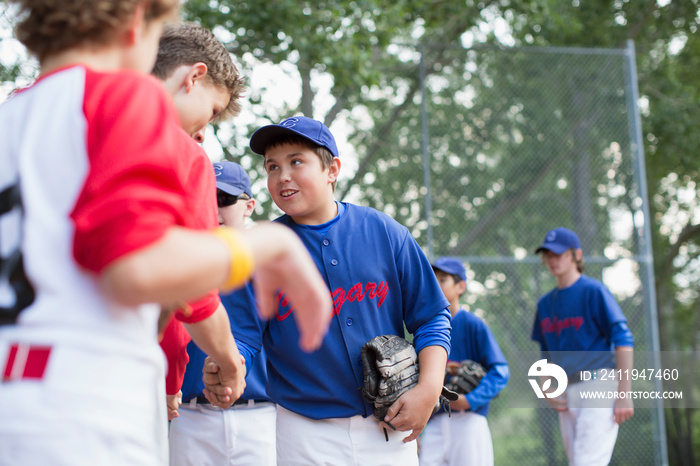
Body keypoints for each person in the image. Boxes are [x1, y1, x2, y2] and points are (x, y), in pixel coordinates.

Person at [0, 3, 331, 465]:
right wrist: (265, 243)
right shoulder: (124, 99)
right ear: (138, 23)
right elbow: (136, 269)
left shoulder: (11, 115)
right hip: (85, 401)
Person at [205, 115, 452, 465]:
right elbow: (243, 336)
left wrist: (428, 390)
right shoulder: (258, 250)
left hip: (389, 421)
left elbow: (432, 316)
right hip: (303, 430)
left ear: (332, 169)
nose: (282, 176)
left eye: (296, 162)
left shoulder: (384, 231)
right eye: (272, 167)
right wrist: (228, 364)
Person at [147, 20, 248, 420]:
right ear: (194, 77)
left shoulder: (18, 110)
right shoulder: (179, 153)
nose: (204, 132)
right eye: (213, 111)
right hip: (104, 373)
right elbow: (190, 286)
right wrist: (227, 360)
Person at [169, 161, 277, 466]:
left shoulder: (268, 262)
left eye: (225, 200)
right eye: (205, 199)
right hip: (189, 415)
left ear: (249, 206)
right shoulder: (176, 263)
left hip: (259, 416)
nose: (215, 210)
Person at [531, 227, 635, 465]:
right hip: (567, 390)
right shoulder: (545, 303)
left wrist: (624, 393)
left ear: (576, 255)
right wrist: (545, 386)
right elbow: (545, 352)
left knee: (586, 461)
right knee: (579, 460)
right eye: (548, 254)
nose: (552, 260)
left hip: (598, 383)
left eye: (558, 254)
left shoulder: (593, 290)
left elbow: (623, 340)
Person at [419, 257, 509, 466]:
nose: (436, 284)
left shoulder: (472, 324)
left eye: (443, 280)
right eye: (433, 279)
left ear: (461, 286)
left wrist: (470, 400)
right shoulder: (424, 327)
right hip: (434, 421)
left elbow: (500, 371)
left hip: (469, 420)